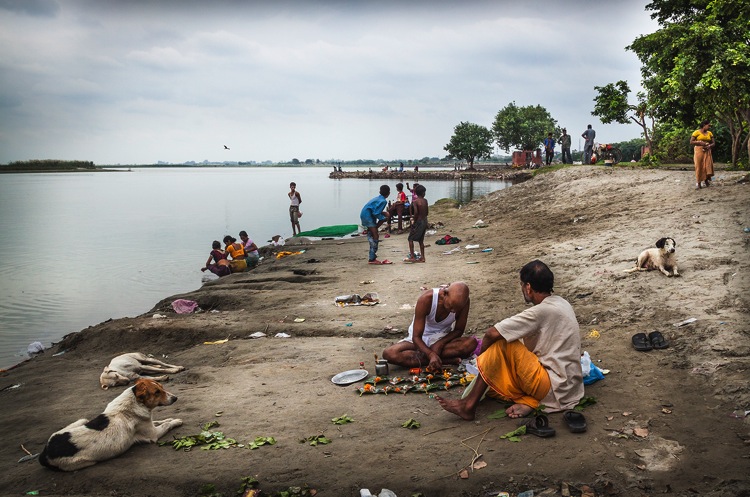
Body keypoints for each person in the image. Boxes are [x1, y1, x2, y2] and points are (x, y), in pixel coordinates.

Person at [437, 260, 584, 420]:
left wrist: (483, 361)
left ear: (528, 287)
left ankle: (468, 405)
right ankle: (529, 401)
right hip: (571, 386)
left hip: (554, 386)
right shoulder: (562, 303)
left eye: (522, 285)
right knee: (494, 383)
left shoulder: (541, 311)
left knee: (502, 344)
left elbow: (491, 334)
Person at [382, 282, 477, 369]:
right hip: (419, 340)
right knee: (390, 354)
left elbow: (459, 330)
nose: (453, 311)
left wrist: (440, 344)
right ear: (444, 294)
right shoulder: (426, 299)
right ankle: (444, 360)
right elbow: (416, 337)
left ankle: (430, 359)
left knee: (471, 343)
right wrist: (431, 354)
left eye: (456, 309)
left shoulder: (464, 303)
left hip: (442, 338)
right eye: (451, 306)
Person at [360, 185, 391, 264]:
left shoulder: (378, 198)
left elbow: (375, 210)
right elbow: (376, 213)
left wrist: (384, 214)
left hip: (365, 214)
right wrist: (383, 218)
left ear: (379, 192)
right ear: (388, 193)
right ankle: (372, 258)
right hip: (367, 216)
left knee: (374, 232)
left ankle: (372, 255)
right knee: (375, 235)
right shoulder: (383, 201)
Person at [405, 184, 428, 263]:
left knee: (410, 238)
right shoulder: (425, 201)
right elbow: (427, 212)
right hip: (425, 221)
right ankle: (423, 257)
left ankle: (412, 256)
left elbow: (416, 212)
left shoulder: (415, 202)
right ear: (423, 193)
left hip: (419, 221)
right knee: (421, 240)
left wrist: (413, 220)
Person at [690, 120, 715, 189]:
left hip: (707, 150)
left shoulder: (709, 133)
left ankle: (706, 181)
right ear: (704, 125)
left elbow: (713, 143)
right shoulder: (696, 132)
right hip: (699, 150)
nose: (709, 127)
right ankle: (699, 183)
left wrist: (709, 146)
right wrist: (699, 142)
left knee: (707, 165)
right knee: (699, 165)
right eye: (708, 125)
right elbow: (691, 142)